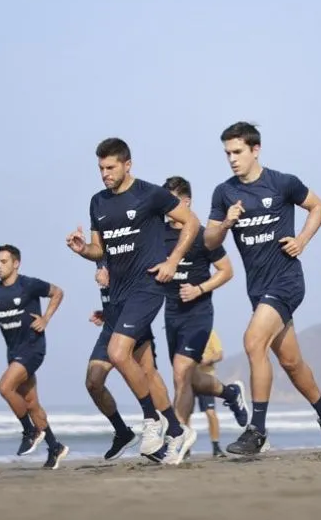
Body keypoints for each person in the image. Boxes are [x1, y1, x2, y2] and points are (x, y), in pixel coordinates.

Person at [204, 121, 321, 456]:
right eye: (227, 153)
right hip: (258, 289)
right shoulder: (224, 193)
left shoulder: (282, 183)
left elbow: (319, 207)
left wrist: (302, 240)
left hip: (287, 281)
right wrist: (227, 223)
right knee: (291, 362)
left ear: (255, 150)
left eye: (237, 152)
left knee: (253, 341)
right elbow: (209, 241)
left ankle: (257, 431)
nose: (232, 159)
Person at [67, 137, 201, 457]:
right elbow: (100, 250)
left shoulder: (150, 194)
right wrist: (83, 249)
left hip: (147, 288)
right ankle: (178, 430)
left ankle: (151, 421)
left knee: (117, 352)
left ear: (127, 165)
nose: (105, 174)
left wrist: (172, 261)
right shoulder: (98, 202)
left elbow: (192, 222)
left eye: (111, 168)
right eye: (101, 168)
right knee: (141, 369)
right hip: (117, 297)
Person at [149, 176, 249, 465]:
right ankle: (230, 392)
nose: (166, 208)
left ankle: (178, 438)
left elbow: (226, 271)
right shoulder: (158, 234)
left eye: (171, 202)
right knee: (187, 379)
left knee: (181, 373)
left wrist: (200, 289)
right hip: (172, 314)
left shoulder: (203, 236)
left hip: (199, 314)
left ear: (186, 202)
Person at [0, 244, 69, 469]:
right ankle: (55, 447)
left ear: (16, 264)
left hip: (32, 349)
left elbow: (58, 292)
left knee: (5, 387)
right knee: (31, 403)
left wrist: (46, 318)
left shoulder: (28, 284)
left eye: (4, 262)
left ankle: (30, 431)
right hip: (13, 352)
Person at [85, 262, 174, 462]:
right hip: (110, 327)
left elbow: (138, 280)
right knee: (93, 382)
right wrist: (106, 312)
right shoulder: (101, 255)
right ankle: (122, 433)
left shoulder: (128, 250)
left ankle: (173, 431)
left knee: (148, 375)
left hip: (134, 323)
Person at [184, 329, 237, 458]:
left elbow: (219, 354)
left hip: (205, 378)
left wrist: (205, 360)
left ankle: (216, 446)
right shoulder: (184, 332)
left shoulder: (209, 332)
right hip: (187, 378)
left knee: (210, 413)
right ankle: (186, 448)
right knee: (185, 414)